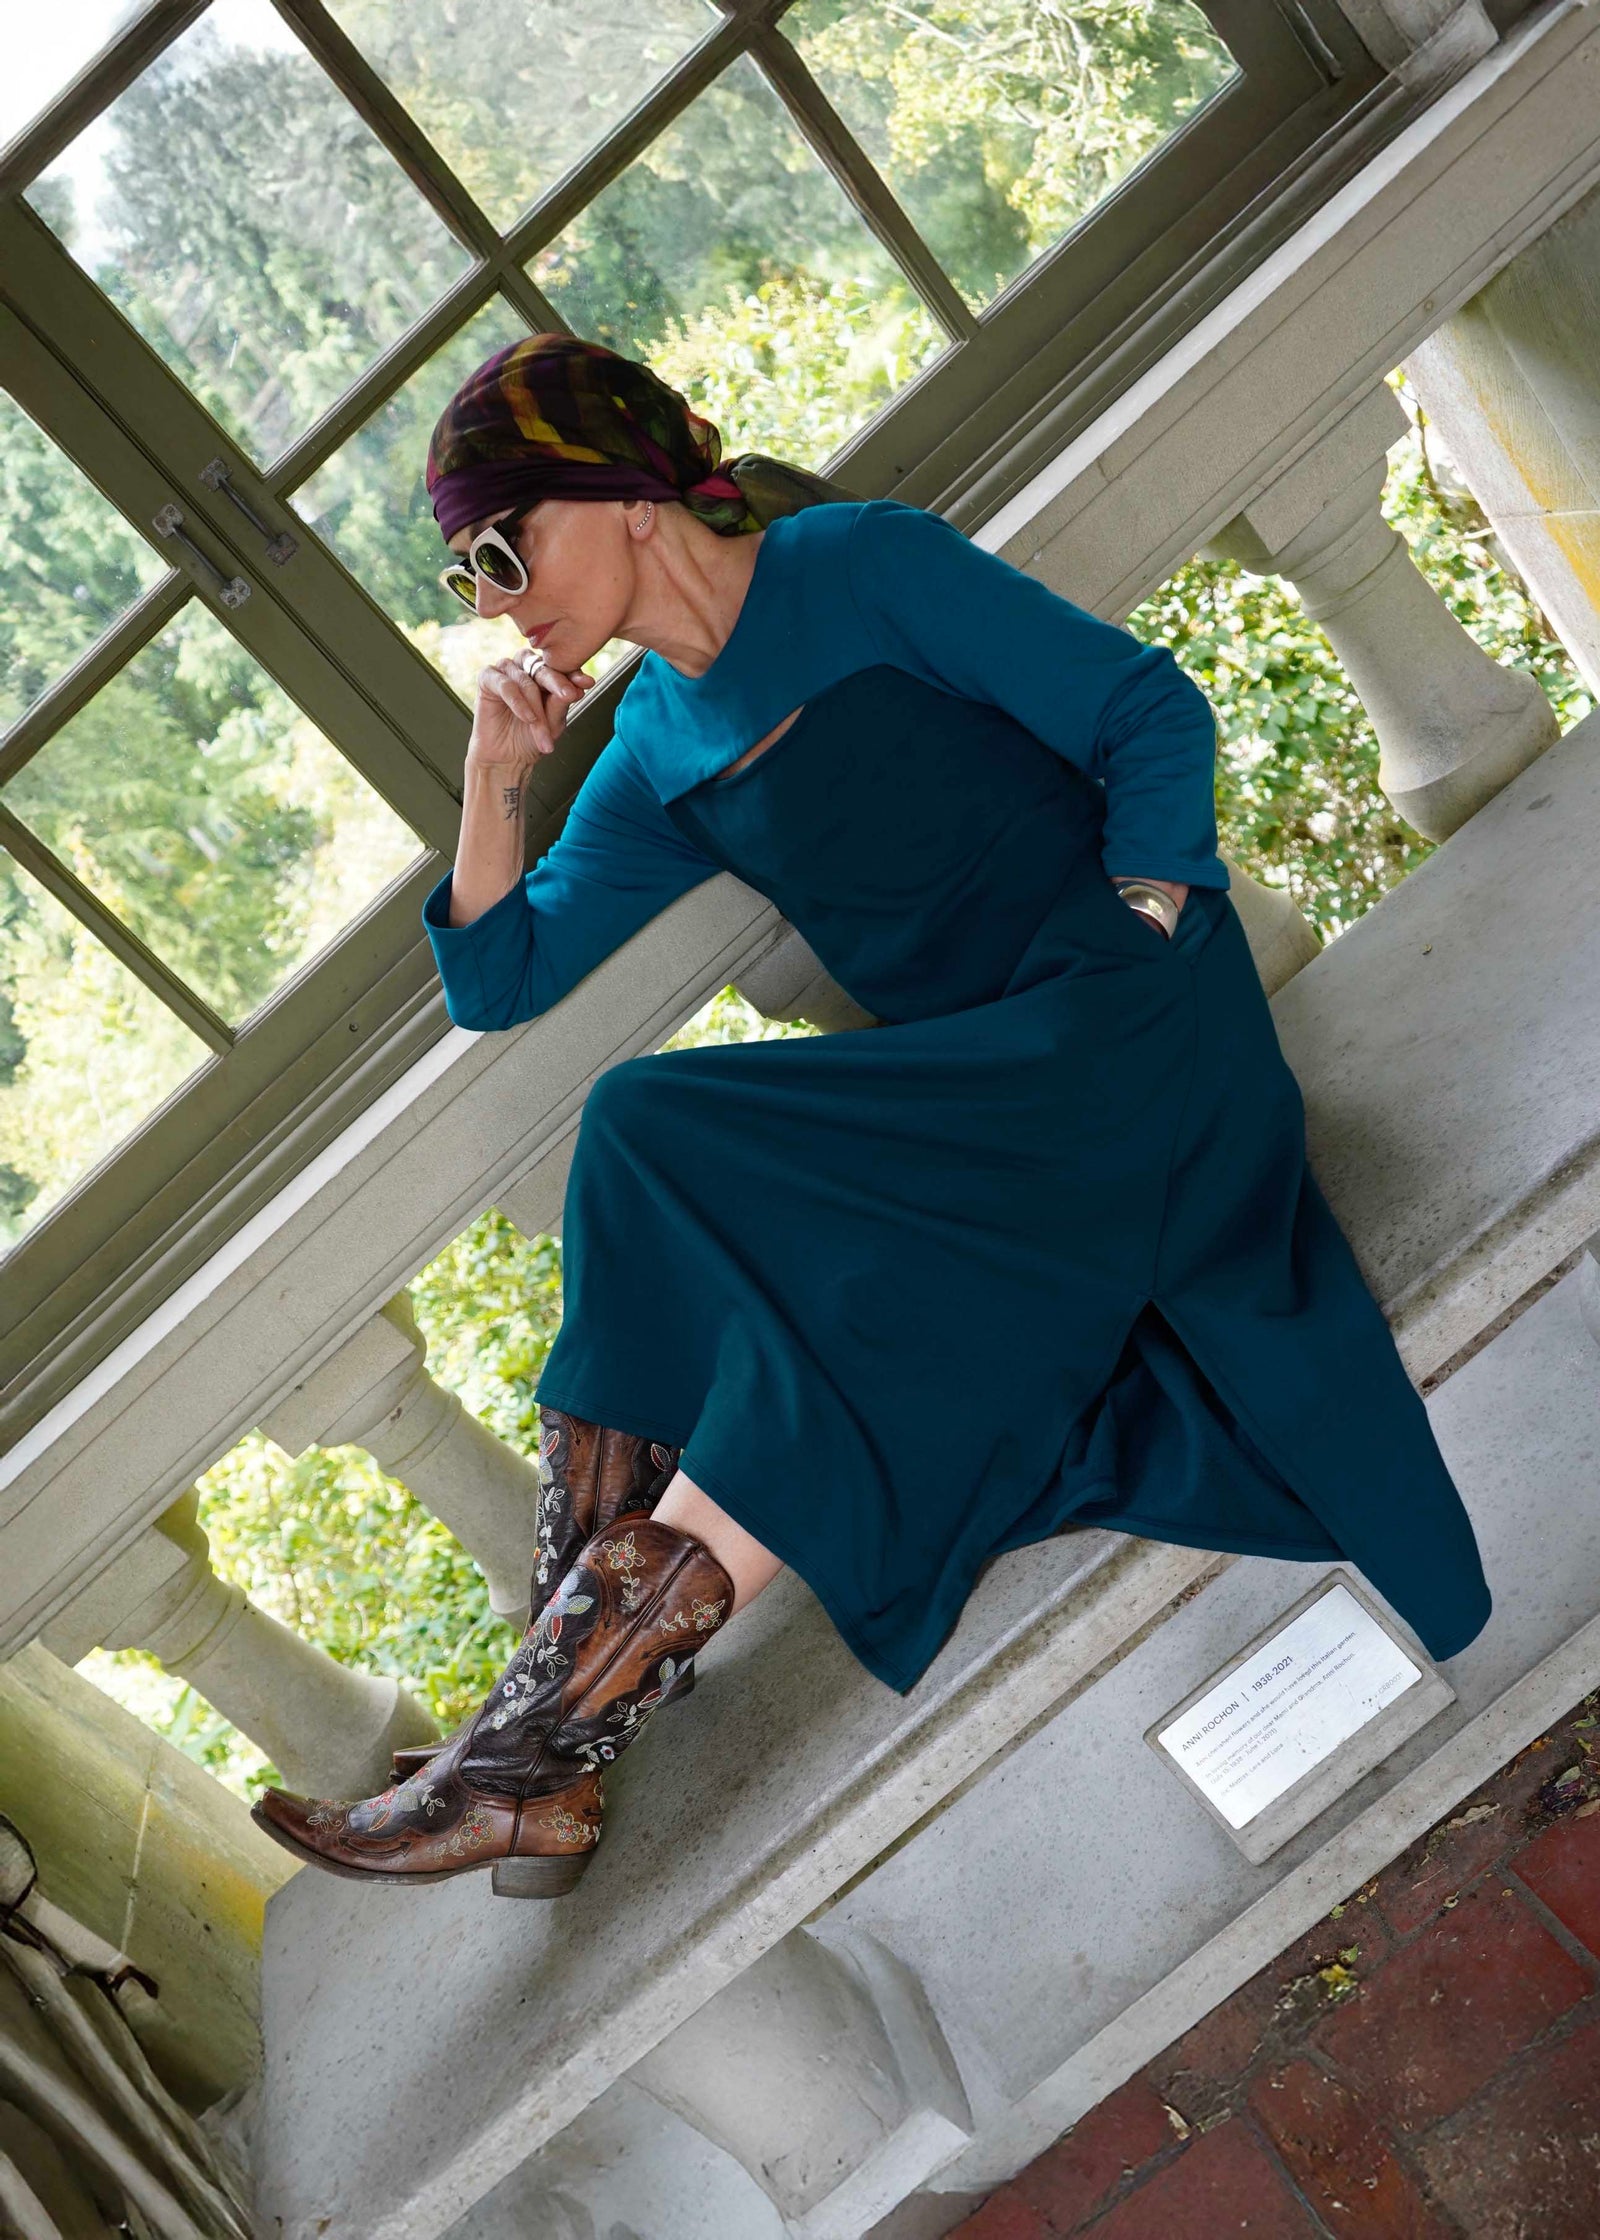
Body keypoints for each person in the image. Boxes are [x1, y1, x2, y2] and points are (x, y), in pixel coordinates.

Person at [250, 333, 1492, 1899]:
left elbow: (1149, 711)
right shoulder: (653, 751)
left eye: (505, 548)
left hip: (1130, 1031)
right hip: (979, 1093)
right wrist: (497, 771)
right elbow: (499, 977)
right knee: (643, 1126)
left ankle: (530, 1751)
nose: (495, 597)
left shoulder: (859, 567)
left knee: (822, 1313)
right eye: (469, 575)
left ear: (626, 494)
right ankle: (544, 1737)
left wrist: (1147, 919)